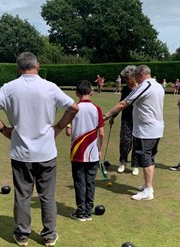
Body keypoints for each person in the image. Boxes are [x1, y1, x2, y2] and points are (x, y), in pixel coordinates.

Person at [0, 52, 79, 247]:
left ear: (18, 68)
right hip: (46, 152)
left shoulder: (9, 88)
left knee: (22, 195)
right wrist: (59, 126)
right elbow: (74, 107)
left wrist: (3, 129)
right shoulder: (49, 87)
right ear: (38, 65)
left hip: (21, 152)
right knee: (47, 196)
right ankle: (49, 234)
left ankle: (22, 234)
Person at [104, 65, 164, 201]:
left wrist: (106, 116)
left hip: (146, 129)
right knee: (150, 158)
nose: (135, 79)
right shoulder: (158, 86)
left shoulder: (145, 86)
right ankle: (149, 186)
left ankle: (148, 191)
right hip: (155, 128)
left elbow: (123, 104)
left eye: (136, 76)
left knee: (146, 159)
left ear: (141, 75)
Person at [66, 80, 104, 221]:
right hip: (93, 152)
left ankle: (80, 211)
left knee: (79, 182)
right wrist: (99, 149)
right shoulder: (97, 109)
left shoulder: (73, 109)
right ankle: (88, 211)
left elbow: (68, 132)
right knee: (90, 182)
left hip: (77, 152)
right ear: (92, 92)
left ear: (76, 93)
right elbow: (101, 133)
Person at [109, 65, 140, 176]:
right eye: (125, 78)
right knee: (125, 141)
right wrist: (113, 116)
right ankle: (123, 162)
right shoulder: (126, 89)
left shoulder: (141, 87)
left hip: (138, 119)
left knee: (137, 142)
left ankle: (135, 165)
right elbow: (121, 102)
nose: (125, 81)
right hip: (126, 118)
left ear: (133, 77)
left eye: (127, 78)